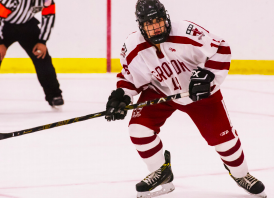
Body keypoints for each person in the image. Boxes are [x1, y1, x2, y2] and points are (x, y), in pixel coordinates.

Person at [105, 0, 267, 197]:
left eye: (158, 21)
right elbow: (130, 77)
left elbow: (221, 48)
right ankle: (160, 171)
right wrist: (121, 96)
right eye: (149, 24)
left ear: (166, 18)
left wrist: (208, 76)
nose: (156, 27)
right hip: (161, 92)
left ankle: (241, 174)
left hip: (198, 94)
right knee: (138, 130)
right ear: (141, 26)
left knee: (225, 142)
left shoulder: (187, 32)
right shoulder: (132, 46)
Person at [0, 0, 63, 107]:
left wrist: (42, 41)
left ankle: (54, 95)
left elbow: (49, 15)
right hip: (4, 26)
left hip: (28, 26)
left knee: (42, 57)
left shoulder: (46, 0)